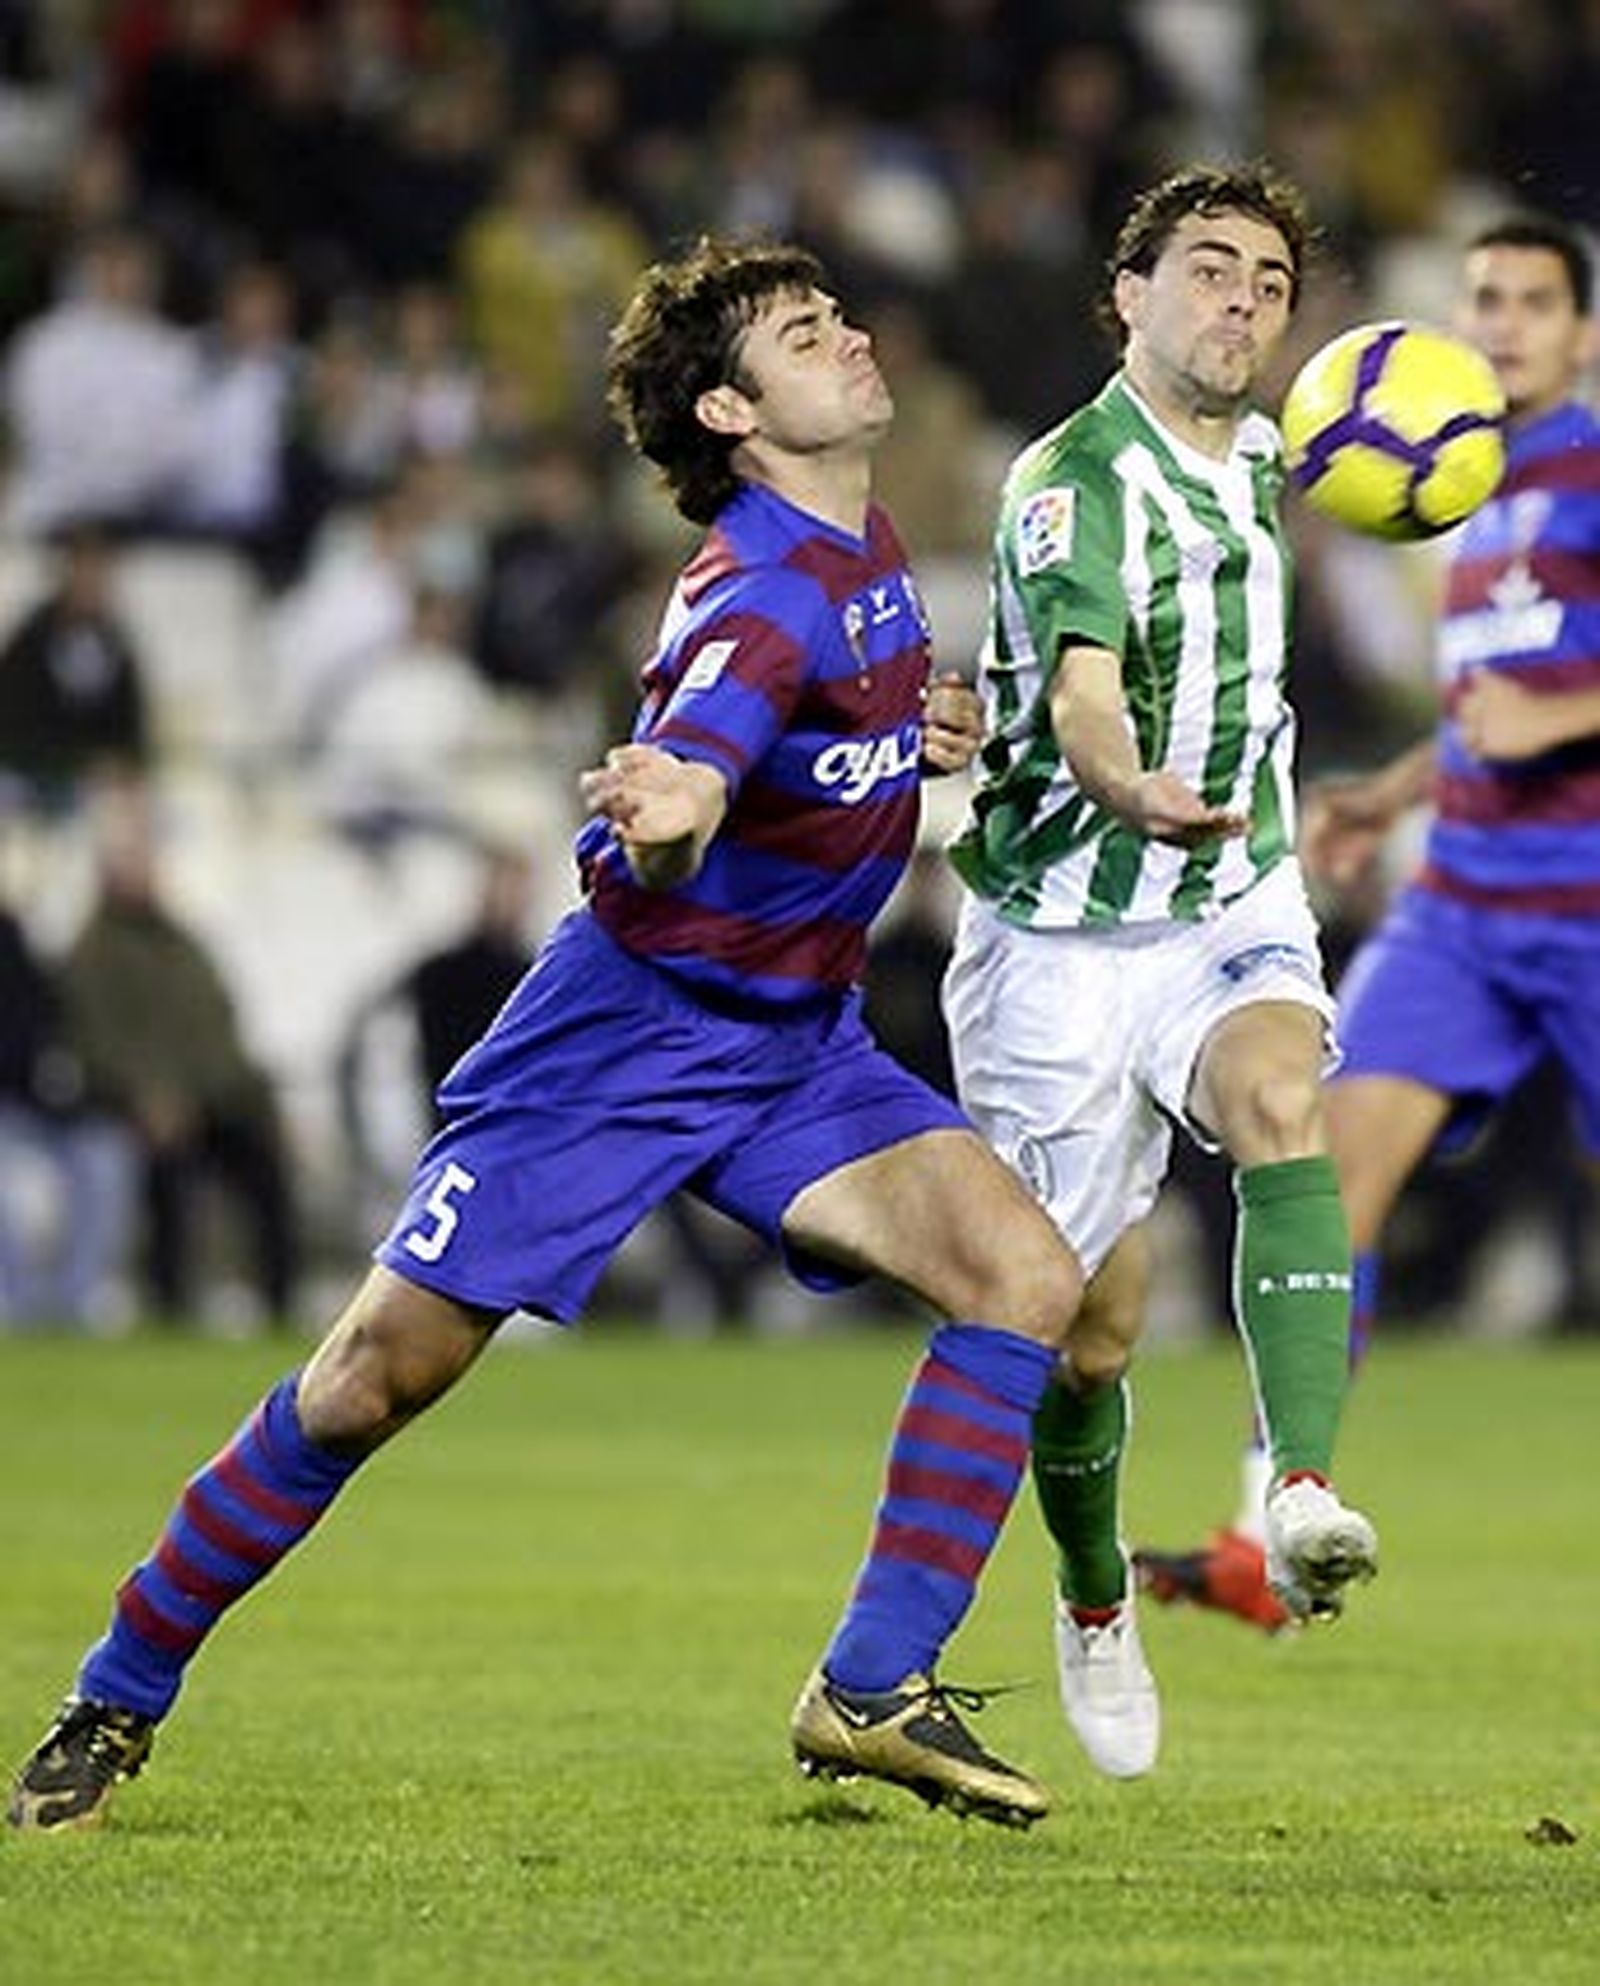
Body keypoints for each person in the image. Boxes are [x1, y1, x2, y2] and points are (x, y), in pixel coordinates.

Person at [9, 236, 1090, 1838]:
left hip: (792, 1042)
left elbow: (812, 741)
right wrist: (676, 807)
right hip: (621, 1039)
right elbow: (706, 751)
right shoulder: (763, 592)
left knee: (1023, 1278)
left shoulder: (861, 545)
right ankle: (115, 1689)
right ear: (731, 411)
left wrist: (914, 736)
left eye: (837, 315)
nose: (853, 337)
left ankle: (871, 1683)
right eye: (806, 333)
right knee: (369, 1380)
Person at [941, 162, 1381, 1779]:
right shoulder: (1072, 480)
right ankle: (1090, 1590)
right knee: (1090, 1334)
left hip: (1227, 893)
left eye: (1269, 282)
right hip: (1056, 938)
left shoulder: (1273, 456)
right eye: (1208, 269)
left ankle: (1300, 1487)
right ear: (1128, 296)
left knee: (1282, 1099)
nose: (1241, 302)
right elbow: (1079, 690)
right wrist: (1127, 785)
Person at [1135, 212, 1600, 1631]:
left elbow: (1539, 707)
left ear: (1583, 333)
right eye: (1483, 299)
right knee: (1325, 1180)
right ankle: (1275, 1527)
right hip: (1463, 903)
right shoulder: (1460, 484)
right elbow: (1489, 708)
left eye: (1532, 301)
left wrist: (1562, 717)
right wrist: (1392, 793)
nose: (1502, 323)